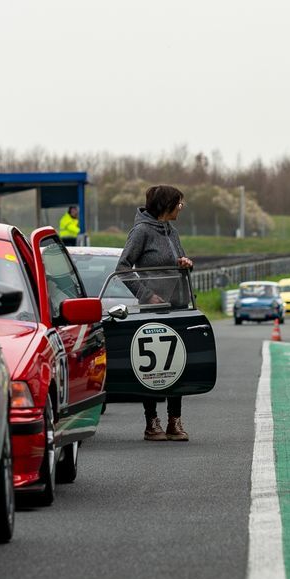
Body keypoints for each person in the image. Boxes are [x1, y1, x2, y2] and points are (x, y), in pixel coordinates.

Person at [117, 185, 195, 443]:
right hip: (152, 310)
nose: (181, 208)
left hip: (178, 307)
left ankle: (175, 420)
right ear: (166, 205)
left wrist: (185, 264)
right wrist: (146, 293)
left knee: (177, 363)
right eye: (178, 203)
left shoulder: (172, 231)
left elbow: (179, 260)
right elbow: (123, 267)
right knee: (153, 366)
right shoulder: (141, 232)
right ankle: (152, 422)